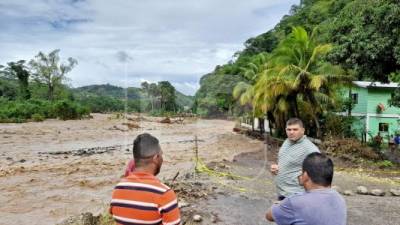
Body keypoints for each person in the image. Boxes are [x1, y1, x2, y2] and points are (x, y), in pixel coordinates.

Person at [110, 133, 181, 225]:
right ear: (156, 158)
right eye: (161, 155)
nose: (162, 159)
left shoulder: (118, 189)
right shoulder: (164, 194)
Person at [266, 152, 347, 225]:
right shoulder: (340, 199)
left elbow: (269, 215)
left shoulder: (295, 202)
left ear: (305, 176)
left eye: (301, 172)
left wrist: (281, 204)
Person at [270, 118, 320, 200]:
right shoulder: (287, 142)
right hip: (282, 193)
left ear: (303, 130)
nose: (291, 132)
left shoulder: (310, 148)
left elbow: (319, 172)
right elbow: (285, 161)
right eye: (289, 129)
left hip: (296, 195)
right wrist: (276, 167)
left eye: (295, 129)